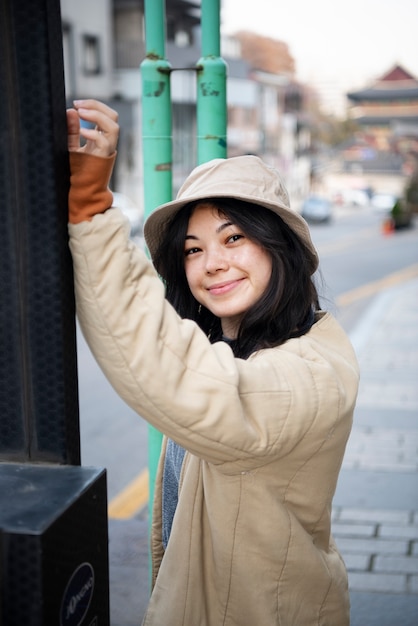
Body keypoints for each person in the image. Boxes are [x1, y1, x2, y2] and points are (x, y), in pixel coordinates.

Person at [67, 100, 359, 626]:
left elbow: (173, 371)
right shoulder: (226, 347)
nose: (212, 263)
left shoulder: (311, 372)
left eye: (233, 238)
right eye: (193, 249)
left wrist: (91, 205)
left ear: (278, 245)